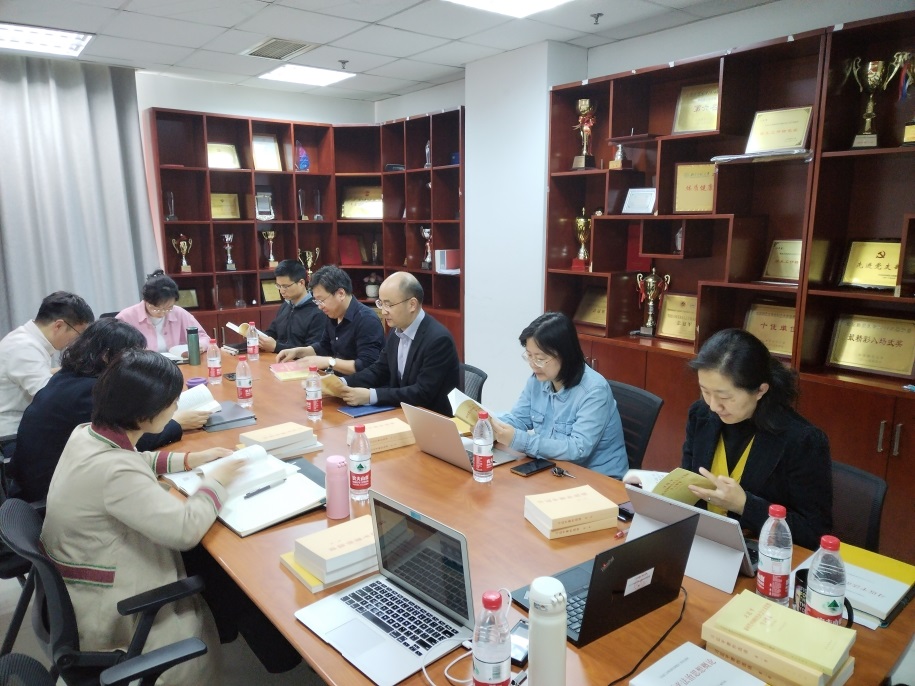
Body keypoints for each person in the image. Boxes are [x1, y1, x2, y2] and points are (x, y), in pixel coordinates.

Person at [41, 349, 242, 685]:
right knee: (215, 569)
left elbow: (137, 459)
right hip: (112, 601)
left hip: (81, 571)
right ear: (145, 412)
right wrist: (217, 482)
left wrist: (191, 459)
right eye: (172, 402)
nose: (176, 408)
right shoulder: (114, 471)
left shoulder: (87, 432)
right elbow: (184, 530)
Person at [9, 319, 211, 502]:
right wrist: (176, 423)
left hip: (39, 477)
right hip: (48, 492)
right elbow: (128, 440)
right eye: (131, 356)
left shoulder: (69, 376)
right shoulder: (90, 392)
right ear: (107, 356)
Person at [681, 328, 832, 550]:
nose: (713, 406)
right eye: (705, 391)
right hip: (704, 542)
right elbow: (688, 482)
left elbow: (814, 533)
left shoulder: (802, 440)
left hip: (763, 554)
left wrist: (744, 505)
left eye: (725, 397)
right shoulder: (701, 414)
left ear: (760, 390)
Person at [489, 312, 628, 478]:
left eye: (540, 358)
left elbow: (577, 449)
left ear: (565, 354)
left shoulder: (594, 391)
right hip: (557, 470)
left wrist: (520, 440)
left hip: (598, 480)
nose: (533, 365)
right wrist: (491, 423)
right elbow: (519, 419)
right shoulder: (538, 379)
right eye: (529, 356)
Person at [340, 271, 458, 416]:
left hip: (432, 419)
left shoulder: (438, 340)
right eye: (381, 303)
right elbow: (379, 370)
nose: (383, 311)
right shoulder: (397, 332)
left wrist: (371, 396)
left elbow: (422, 393)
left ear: (412, 304)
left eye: (389, 305)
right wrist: (342, 382)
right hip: (402, 413)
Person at [0, 291, 94, 449]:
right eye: (79, 334)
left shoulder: (27, 339)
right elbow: (51, 399)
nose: (78, 341)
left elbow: (43, 375)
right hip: (11, 438)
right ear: (58, 326)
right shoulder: (24, 347)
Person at [276, 264, 384, 375]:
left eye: (321, 300)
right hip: (336, 379)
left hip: (357, 384)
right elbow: (324, 347)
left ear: (340, 294)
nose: (319, 306)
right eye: (316, 301)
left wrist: (329, 362)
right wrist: (297, 352)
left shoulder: (367, 320)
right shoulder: (333, 314)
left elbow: (367, 365)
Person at [116, 270, 209, 353]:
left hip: (177, 364)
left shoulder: (179, 313)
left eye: (168, 308)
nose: (162, 313)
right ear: (145, 300)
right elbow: (115, 349)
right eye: (156, 308)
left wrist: (200, 345)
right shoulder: (126, 317)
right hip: (142, 366)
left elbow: (203, 337)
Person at [256, 259, 325, 353]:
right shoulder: (285, 305)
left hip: (301, 361)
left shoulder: (318, 311)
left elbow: (313, 351)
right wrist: (257, 337)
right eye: (278, 286)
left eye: (285, 286)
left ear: (301, 283)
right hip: (277, 358)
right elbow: (272, 332)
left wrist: (276, 347)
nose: (281, 291)